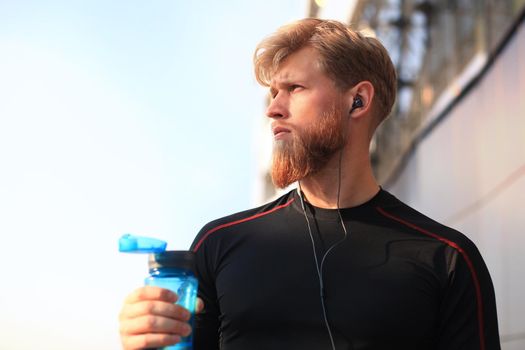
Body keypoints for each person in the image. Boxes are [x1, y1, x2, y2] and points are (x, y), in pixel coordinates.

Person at [118, 18, 500, 350]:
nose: (273, 108)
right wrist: (145, 338)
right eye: (272, 93)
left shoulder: (448, 258)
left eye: (294, 88)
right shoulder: (219, 243)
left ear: (357, 101)